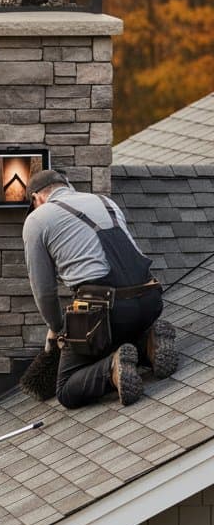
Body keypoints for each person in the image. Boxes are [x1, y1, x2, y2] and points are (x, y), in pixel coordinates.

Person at [22, 168, 178, 408]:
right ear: (67, 186)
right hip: (149, 298)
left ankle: (112, 368)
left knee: (66, 389)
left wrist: (55, 328)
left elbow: (44, 290)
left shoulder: (37, 219)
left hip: (103, 313)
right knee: (118, 333)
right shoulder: (105, 201)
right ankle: (149, 344)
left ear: (37, 198)